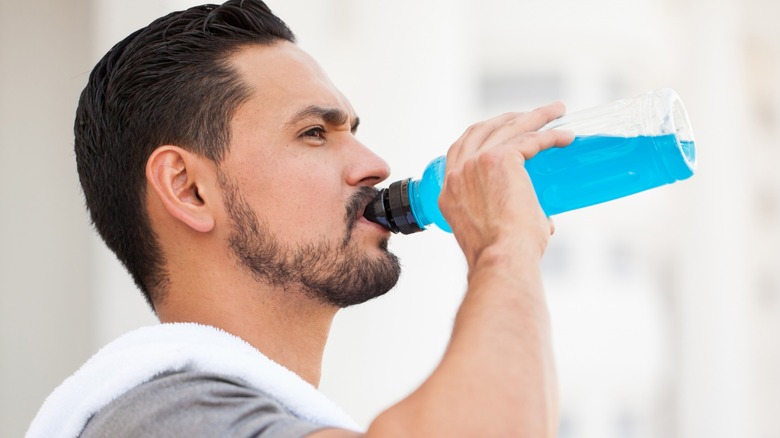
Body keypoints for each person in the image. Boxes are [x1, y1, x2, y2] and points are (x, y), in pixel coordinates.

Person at [27, 1, 574, 437]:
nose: (374, 165)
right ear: (189, 189)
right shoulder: (157, 419)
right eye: (315, 132)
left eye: (352, 130)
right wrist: (505, 247)